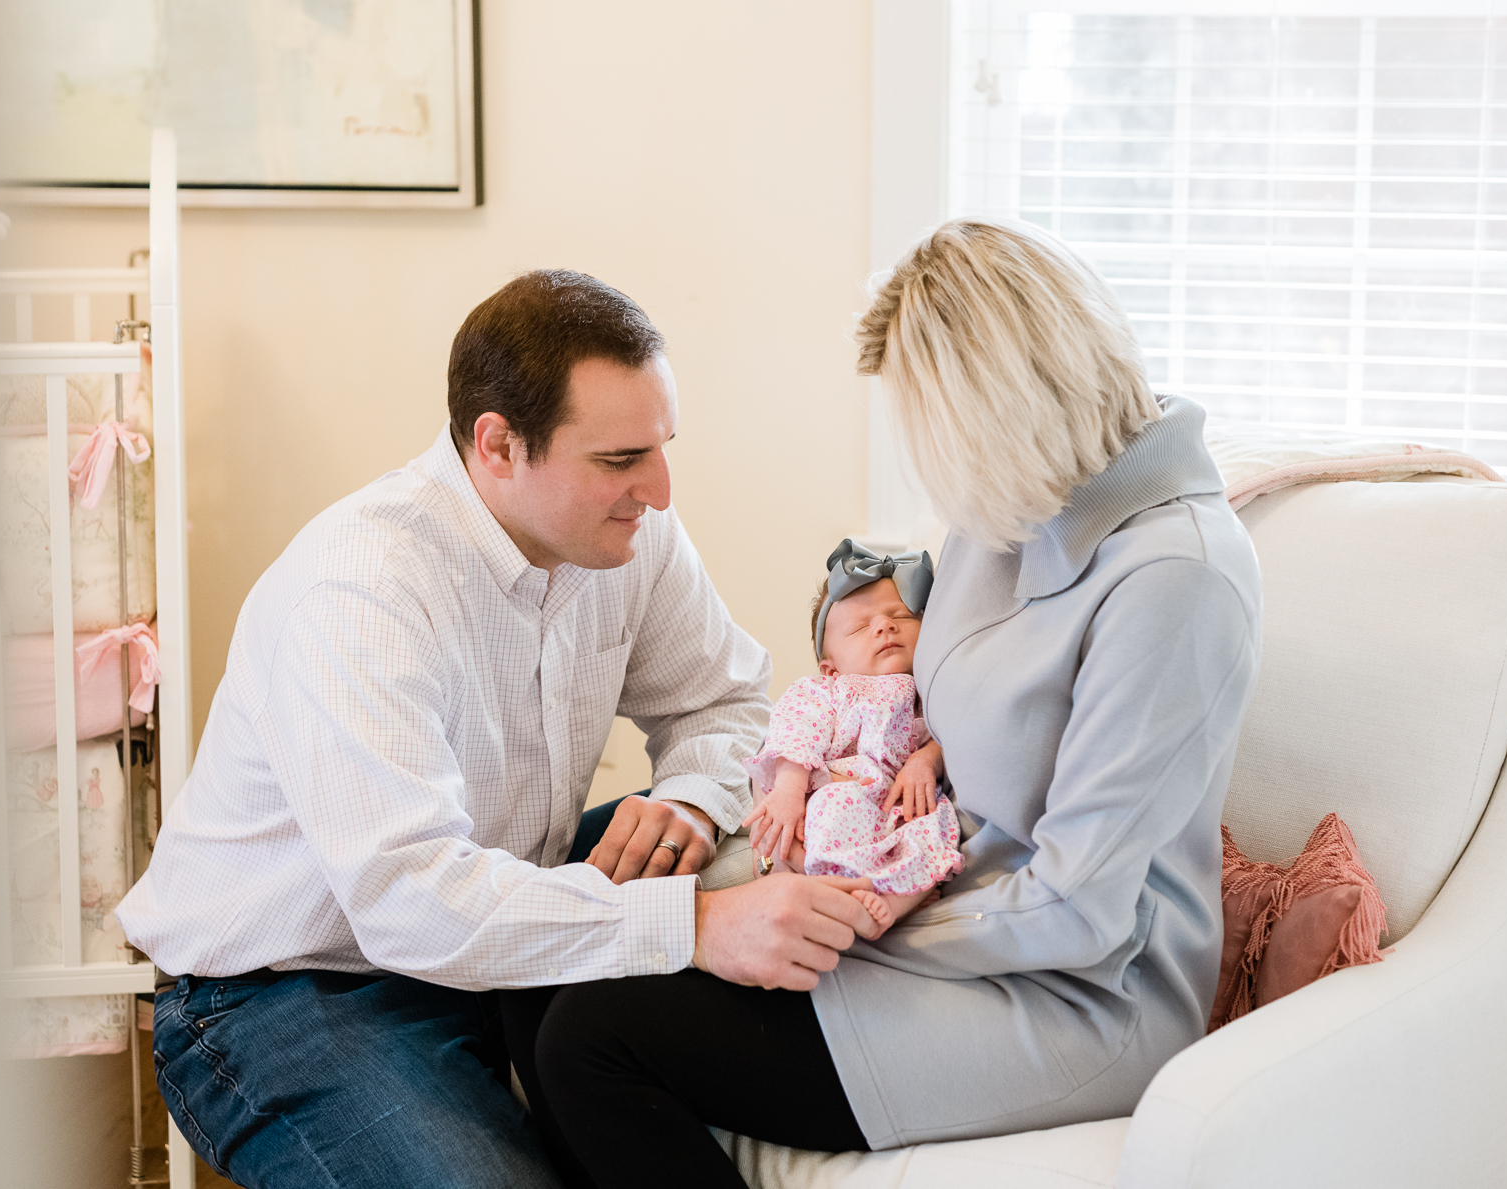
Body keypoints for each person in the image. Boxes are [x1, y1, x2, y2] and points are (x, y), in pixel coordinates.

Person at [520, 221, 1264, 1188]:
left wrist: (838, 916)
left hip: (1068, 989)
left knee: (595, 1037)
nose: (931, 474)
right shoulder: (1010, 516)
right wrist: (783, 827)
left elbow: (1080, 908)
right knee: (591, 868)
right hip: (925, 882)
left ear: (1008, 411)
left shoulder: (1177, 581)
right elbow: (905, 707)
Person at [115, 270, 879, 1189]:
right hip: (285, 990)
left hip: (500, 912)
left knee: (704, 832)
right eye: (620, 459)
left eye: (662, 446)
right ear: (498, 445)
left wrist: (688, 797)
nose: (660, 489)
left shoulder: (625, 541)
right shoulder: (361, 594)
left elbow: (725, 701)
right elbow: (414, 901)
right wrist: (700, 924)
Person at [740, 540, 963, 932]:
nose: (885, 625)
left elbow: (957, 732)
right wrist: (790, 792)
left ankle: (891, 905)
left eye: (901, 616)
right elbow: (796, 734)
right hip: (845, 793)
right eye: (862, 627)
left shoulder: (934, 691)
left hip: (899, 807)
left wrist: (926, 758)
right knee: (831, 806)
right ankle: (836, 889)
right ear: (831, 669)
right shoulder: (829, 691)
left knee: (936, 827)